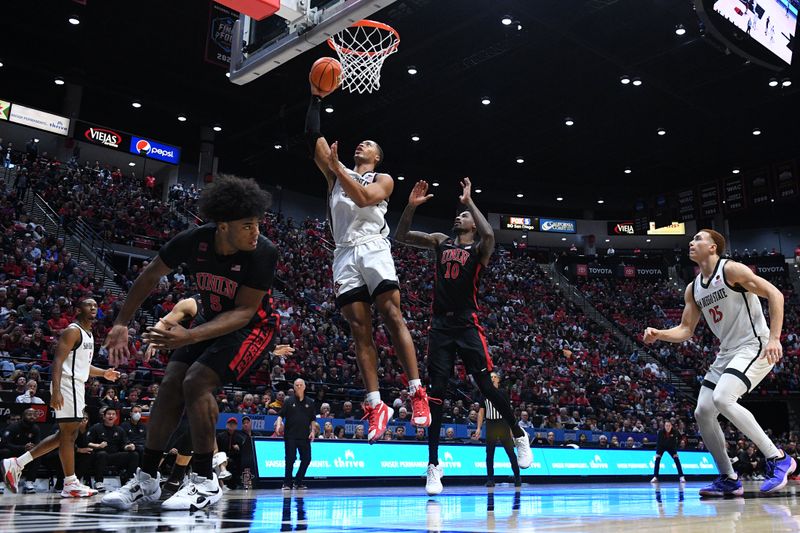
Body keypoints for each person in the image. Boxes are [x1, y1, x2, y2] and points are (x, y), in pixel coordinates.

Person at [102, 175, 280, 510]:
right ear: (223, 226)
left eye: (257, 223)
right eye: (247, 225)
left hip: (254, 327)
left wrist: (188, 335)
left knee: (197, 381)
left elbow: (243, 312)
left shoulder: (264, 252)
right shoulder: (194, 241)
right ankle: (147, 479)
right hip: (210, 319)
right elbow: (151, 274)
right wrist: (122, 322)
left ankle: (204, 480)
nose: (256, 232)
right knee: (170, 384)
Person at [305, 85, 429, 441]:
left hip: (373, 246)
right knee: (359, 329)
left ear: (376, 157)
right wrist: (315, 97)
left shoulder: (381, 179)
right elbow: (311, 136)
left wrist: (337, 169)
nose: (362, 145)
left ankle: (416, 391)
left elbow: (361, 199)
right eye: (361, 143)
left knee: (391, 315)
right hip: (343, 251)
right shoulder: (335, 172)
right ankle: (376, 404)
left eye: (369, 145)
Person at [395, 179, 532, 496]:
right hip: (441, 327)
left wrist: (470, 202)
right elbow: (401, 236)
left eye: (464, 215)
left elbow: (490, 234)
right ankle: (432, 465)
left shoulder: (480, 249)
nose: (459, 217)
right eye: (459, 214)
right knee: (436, 397)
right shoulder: (441, 241)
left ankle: (517, 432)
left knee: (486, 386)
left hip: (468, 325)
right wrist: (411, 207)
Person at [644, 229, 795, 497]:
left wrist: (774, 338)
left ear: (713, 247)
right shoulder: (693, 288)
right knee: (702, 411)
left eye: (698, 239)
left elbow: (775, 294)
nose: (692, 242)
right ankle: (728, 477)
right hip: (727, 352)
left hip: (754, 344)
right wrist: (660, 334)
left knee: (723, 398)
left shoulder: (731, 271)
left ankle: (778, 458)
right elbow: (686, 329)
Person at [1, 298, 119, 497]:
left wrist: (103, 373)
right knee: (67, 434)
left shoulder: (88, 334)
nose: (93, 307)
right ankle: (70, 482)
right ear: (77, 309)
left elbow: (82, 366)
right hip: (67, 384)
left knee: (66, 435)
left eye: (95, 306)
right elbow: (58, 361)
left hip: (78, 384)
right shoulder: (72, 331)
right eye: (88, 305)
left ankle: (17, 463)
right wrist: (55, 390)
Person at [473, 373, 522, 489]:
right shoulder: (484, 393)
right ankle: (490, 479)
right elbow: (481, 412)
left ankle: (517, 477)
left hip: (503, 423)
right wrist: (479, 428)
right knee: (489, 454)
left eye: (495, 377)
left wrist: (511, 428)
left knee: (510, 452)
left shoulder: (503, 393)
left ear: (498, 380)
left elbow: (508, 411)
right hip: (491, 424)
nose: (492, 378)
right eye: (490, 377)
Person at [275, 378, 316, 489]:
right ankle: (287, 483)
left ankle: (298, 481)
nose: (298, 387)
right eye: (296, 385)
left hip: (304, 436)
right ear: (294, 387)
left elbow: (313, 419)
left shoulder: (310, 402)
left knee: (307, 459)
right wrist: (279, 425)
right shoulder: (288, 401)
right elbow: (280, 415)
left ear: (304, 387)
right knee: (290, 458)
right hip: (290, 435)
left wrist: (312, 431)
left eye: (300, 385)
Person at [87, 407, 139, 491]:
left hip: (114, 455)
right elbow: (87, 442)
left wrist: (129, 447)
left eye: (113, 414)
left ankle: (128, 479)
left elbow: (124, 444)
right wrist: (98, 446)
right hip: (98, 455)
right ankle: (98, 482)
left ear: (116, 417)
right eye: (108, 414)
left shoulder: (119, 430)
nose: (111, 416)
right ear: (104, 416)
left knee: (134, 455)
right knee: (102, 454)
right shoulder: (96, 428)